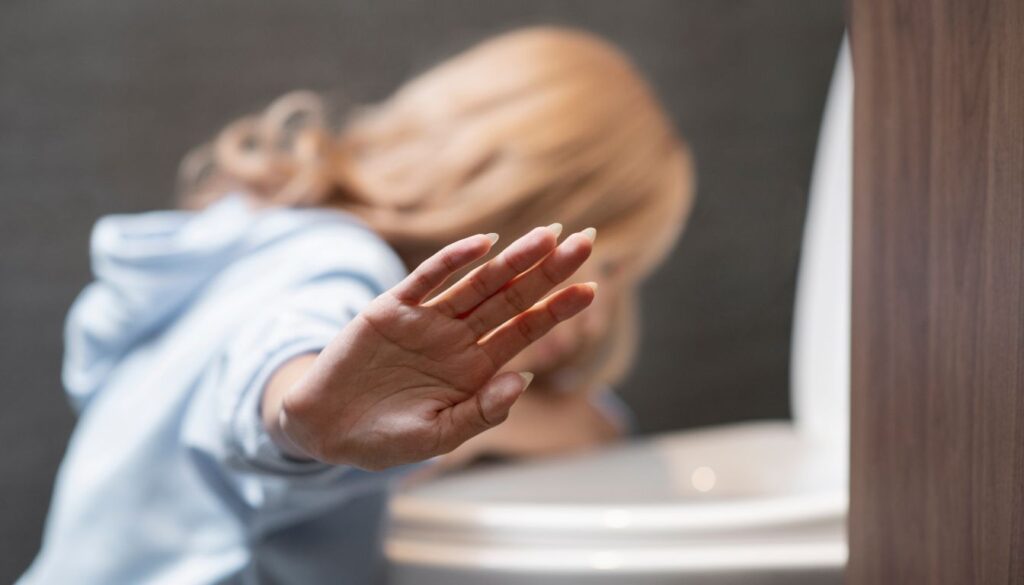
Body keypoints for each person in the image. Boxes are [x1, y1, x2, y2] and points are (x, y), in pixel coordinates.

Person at [20, 26, 694, 584]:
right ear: (522, 195)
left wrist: (494, 428)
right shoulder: (340, 264)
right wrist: (300, 416)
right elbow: (276, 359)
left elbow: (594, 424)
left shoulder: (266, 241)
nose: (599, 312)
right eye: (605, 263)